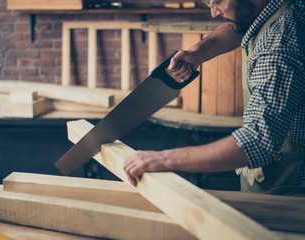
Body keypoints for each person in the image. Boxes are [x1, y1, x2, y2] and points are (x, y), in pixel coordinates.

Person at [123, 0, 305, 194]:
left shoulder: (278, 46)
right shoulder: (279, 8)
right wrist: (197, 52)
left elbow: (257, 140)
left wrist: (162, 159)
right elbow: (240, 26)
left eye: (216, 2)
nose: (213, 13)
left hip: (289, 192)